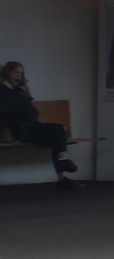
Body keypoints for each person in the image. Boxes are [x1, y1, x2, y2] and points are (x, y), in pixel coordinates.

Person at [0, 61, 78, 190]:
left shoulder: (18, 91)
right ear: (7, 73)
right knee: (58, 132)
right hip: (22, 130)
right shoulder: (4, 91)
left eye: (21, 73)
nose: (19, 76)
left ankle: (62, 175)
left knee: (58, 132)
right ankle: (63, 163)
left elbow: (28, 108)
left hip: (32, 126)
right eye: (16, 72)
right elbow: (5, 108)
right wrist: (17, 93)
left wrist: (24, 93)